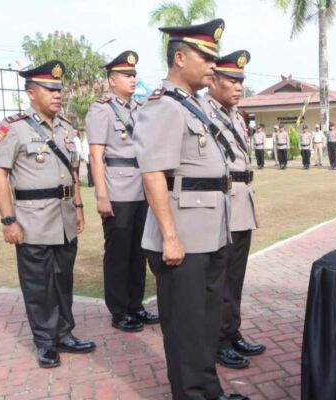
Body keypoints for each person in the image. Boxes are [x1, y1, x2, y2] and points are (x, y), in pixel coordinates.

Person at [133, 19, 248, 400]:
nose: (213, 67)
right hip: (181, 235)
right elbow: (152, 175)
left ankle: (207, 391)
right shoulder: (163, 105)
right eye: (206, 58)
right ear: (179, 58)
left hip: (211, 231)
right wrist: (169, 236)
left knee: (205, 323)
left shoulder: (197, 106)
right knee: (185, 326)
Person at [0, 60, 96, 368]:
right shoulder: (14, 128)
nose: (57, 94)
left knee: (63, 281)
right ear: (31, 92)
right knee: (38, 285)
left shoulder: (66, 128)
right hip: (31, 219)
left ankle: (64, 333)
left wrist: (77, 206)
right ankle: (45, 342)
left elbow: (73, 171)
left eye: (59, 89)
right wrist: (8, 220)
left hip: (63, 218)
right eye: (49, 89)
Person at [86, 50, 159, 334]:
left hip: (141, 189)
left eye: (133, 74)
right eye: (126, 75)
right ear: (111, 80)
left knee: (138, 251)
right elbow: (95, 155)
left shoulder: (139, 109)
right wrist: (101, 195)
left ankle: (136, 305)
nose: (132, 79)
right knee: (118, 254)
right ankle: (119, 311)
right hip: (117, 189)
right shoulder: (101, 110)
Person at [208, 49, 266, 370]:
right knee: (220, 277)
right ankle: (218, 339)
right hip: (220, 203)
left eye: (241, 81)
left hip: (242, 200)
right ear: (212, 79)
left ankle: (232, 331)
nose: (238, 87)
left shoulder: (235, 115)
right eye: (231, 80)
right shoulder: (203, 112)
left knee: (235, 276)